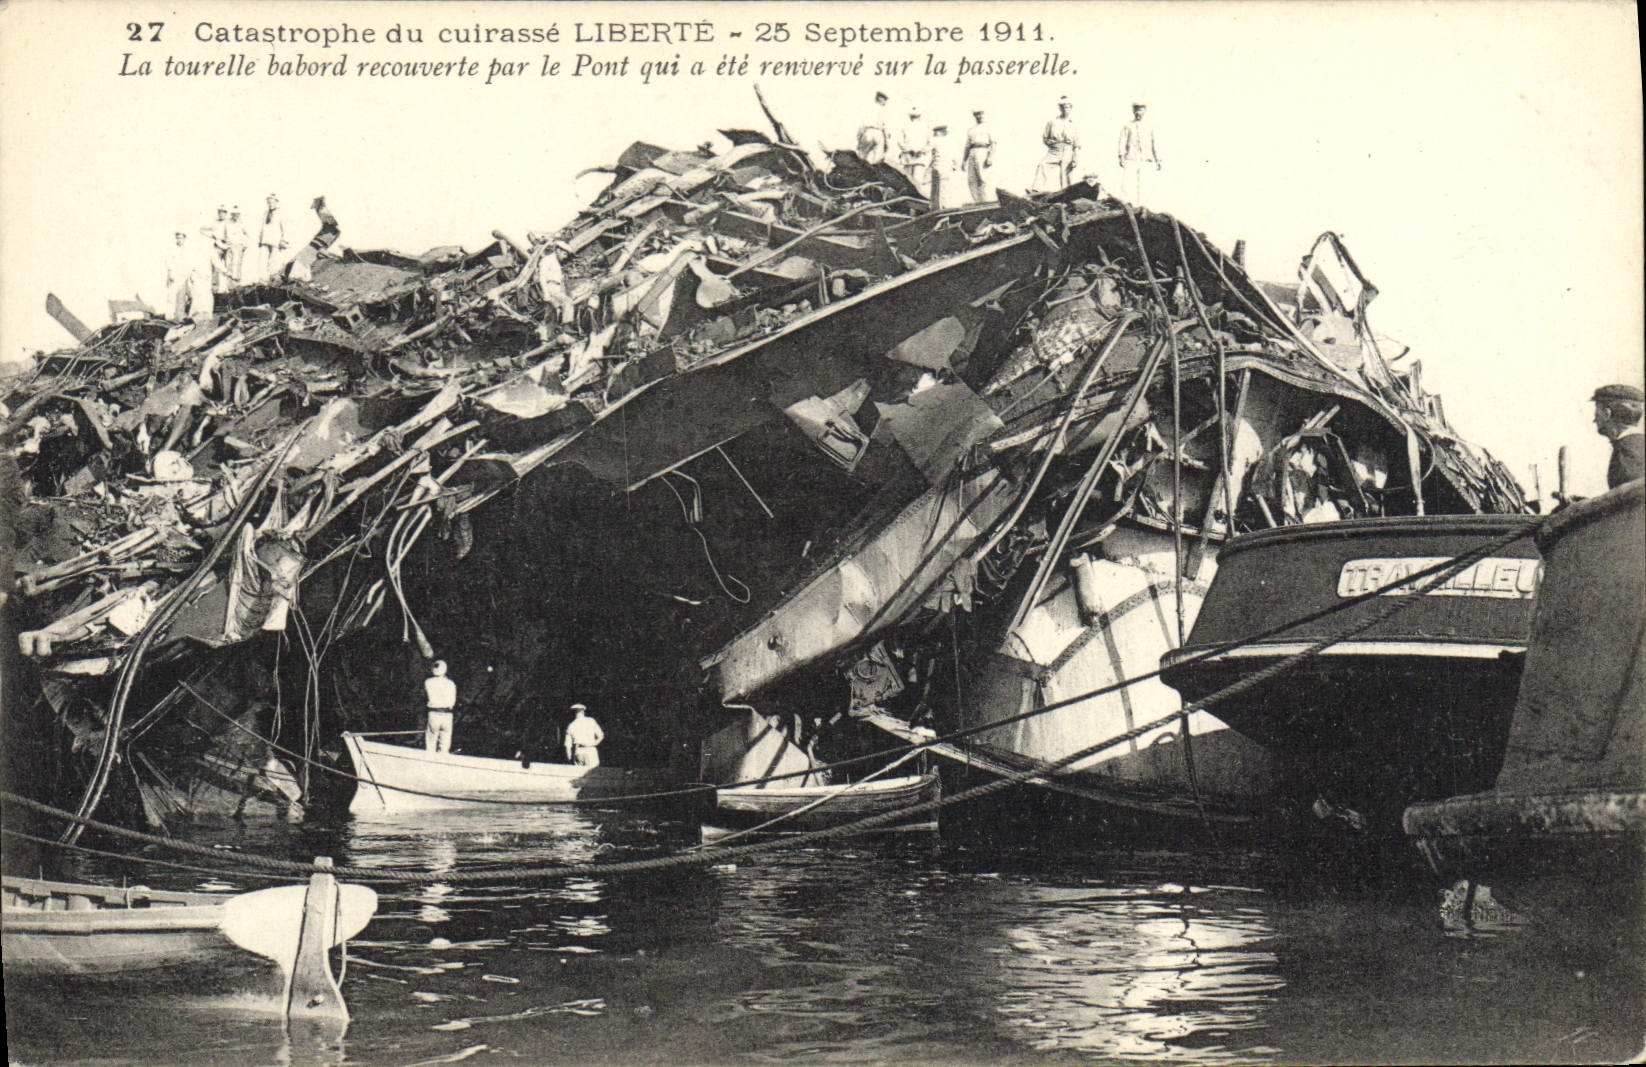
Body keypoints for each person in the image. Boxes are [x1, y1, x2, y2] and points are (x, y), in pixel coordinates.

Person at [1593, 384, 1644, 488]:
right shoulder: (1637, 445)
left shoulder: (1626, 452)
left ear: (1607, 414)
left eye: (1597, 414)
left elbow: (1631, 500)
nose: (1594, 420)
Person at [1117, 102, 1161, 205]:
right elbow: (1122, 141)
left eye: (1141, 110)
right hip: (1131, 158)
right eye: (1136, 110)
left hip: (1146, 159)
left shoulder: (1150, 126)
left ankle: (1143, 207)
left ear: (1145, 111)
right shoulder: (1128, 126)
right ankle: (1128, 206)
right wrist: (1121, 156)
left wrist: (1158, 159)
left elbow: (1155, 143)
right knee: (1128, 184)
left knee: (1145, 184)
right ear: (1133, 111)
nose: (1138, 112)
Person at [1033, 97, 1080, 192]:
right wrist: (1050, 143)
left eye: (1067, 107)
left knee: (1065, 174)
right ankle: (1035, 190)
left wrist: (1075, 158)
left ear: (1070, 108)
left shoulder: (1073, 124)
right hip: (1055, 149)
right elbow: (1045, 137)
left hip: (1068, 149)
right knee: (1043, 164)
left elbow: (1076, 144)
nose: (1065, 109)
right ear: (1060, 108)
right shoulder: (1052, 122)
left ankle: (1067, 195)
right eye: (1063, 107)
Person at [424, 660, 457, 753]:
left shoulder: (428, 682)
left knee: (431, 742)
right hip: (447, 714)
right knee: (445, 743)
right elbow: (453, 700)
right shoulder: (451, 683)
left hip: (434, 713)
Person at [963, 109, 996, 203]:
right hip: (972, 152)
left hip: (983, 150)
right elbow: (967, 146)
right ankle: (977, 201)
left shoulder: (988, 127)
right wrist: (964, 161)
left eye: (980, 114)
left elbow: (993, 143)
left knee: (983, 178)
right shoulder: (971, 130)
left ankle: (986, 200)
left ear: (984, 114)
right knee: (972, 179)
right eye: (976, 115)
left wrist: (990, 157)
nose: (979, 116)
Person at [897, 106, 931, 189]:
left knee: (907, 183)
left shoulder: (905, 127)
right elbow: (930, 144)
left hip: (909, 157)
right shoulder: (925, 128)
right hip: (916, 158)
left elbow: (899, 142)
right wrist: (921, 150)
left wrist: (909, 150)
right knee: (916, 184)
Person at [256, 193, 288, 281]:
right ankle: (262, 279)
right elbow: (262, 227)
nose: (270, 204)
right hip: (265, 240)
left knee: (274, 260)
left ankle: (272, 277)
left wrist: (283, 240)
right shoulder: (265, 213)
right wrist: (260, 238)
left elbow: (285, 228)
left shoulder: (280, 213)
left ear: (276, 202)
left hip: (275, 241)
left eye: (272, 202)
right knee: (262, 259)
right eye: (269, 203)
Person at [564, 703, 605, 767]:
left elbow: (568, 745)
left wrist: (569, 756)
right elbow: (601, 736)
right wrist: (594, 744)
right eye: (577, 712)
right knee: (591, 773)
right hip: (584, 750)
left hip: (585, 750)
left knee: (586, 773)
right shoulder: (573, 725)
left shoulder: (572, 725)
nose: (578, 713)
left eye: (578, 711)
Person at [856, 90, 891, 165]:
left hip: (868, 132)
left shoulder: (868, 109)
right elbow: (885, 128)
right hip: (879, 134)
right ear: (880, 99)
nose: (885, 102)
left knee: (861, 157)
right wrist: (887, 143)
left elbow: (862, 126)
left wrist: (859, 139)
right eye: (885, 100)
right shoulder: (884, 111)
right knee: (877, 160)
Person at [928, 124, 956, 211]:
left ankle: (937, 209)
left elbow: (926, 149)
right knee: (945, 187)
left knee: (936, 190)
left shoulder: (934, 140)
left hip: (938, 167)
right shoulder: (949, 141)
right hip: (947, 167)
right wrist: (954, 165)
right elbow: (953, 157)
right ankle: (944, 206)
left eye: (935, 132)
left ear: (938, 132)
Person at [225, 205, 249, 288]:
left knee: (237, 262)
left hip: (238, 245)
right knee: (228, 263)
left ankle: (236, 280)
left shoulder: (241, 223)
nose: (235, 216)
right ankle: (229, 280)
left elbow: (247, 234)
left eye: (237, 214)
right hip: (229, 245)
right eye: (233, 214)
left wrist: (245, 244)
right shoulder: (228, 222)